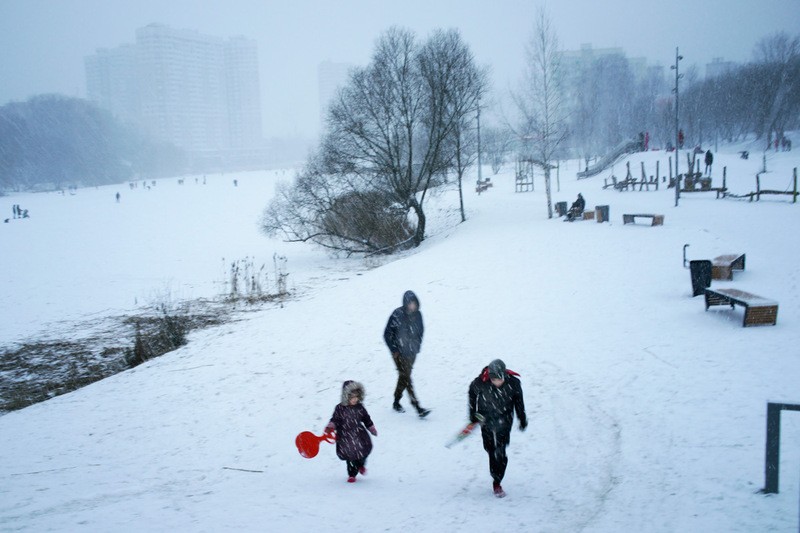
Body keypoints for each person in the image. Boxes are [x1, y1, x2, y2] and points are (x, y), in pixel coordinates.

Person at [468, 359, 527, 498]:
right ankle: (494, 463)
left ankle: (497, 480)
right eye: (494, 379)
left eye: (499, 379)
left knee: (500, 452)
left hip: (504, 420)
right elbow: (472, 393)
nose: (497, 382)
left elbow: (519, 402)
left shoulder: (513, 383)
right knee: (490, 449)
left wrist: (522, 418)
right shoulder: (481, 382)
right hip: (486, 419)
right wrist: (473, 414)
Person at [383, 290, 430, 417]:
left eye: (414, 303)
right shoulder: (397, 314)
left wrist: (416, 346)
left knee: (404, 377)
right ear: (405, 303)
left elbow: (421, 331)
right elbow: (387, 334)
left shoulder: (418, 315)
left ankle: (396, 401)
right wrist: (394, 349)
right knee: (406, 377)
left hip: (412, 352)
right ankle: (417, 406)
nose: (412, 306)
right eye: (410, 303)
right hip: (398, 353)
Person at [324, 381, 378, 483]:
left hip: (359, 435)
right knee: (350, 457)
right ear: (346, 396)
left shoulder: (360, 408)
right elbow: (335, 419)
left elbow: (366, 419)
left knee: (363, 452)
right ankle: (352, 474)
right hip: (345, 437)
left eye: (357, 397)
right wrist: (331, 426)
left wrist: (371, 428)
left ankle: (361, 465)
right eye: (352, 397)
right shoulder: (340, 408)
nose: (355, 399)